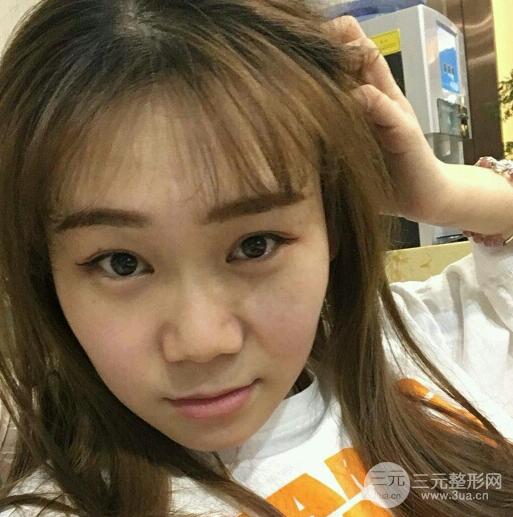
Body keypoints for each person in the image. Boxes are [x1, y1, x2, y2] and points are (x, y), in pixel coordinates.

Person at [0, 0, 511, 516]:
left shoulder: (434, 334)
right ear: (47, 274)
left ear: (331, 227)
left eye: (255, 245)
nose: (202, 344)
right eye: (121, 263)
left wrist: (444, 193)